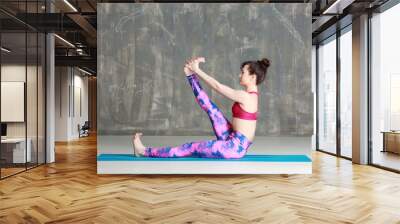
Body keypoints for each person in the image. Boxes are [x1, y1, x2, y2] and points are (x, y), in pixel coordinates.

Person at [132, 56, 270, 159]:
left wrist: (198, 70)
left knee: (191, 147)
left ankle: (143, 151)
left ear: (253, 77)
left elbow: (217, 86)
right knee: (211, 109)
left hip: (234, 147)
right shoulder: (249, 95)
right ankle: (190, 76)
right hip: (232, 138)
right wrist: (193, 73)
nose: (239, 75)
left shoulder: (246, 97)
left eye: (243, 72)